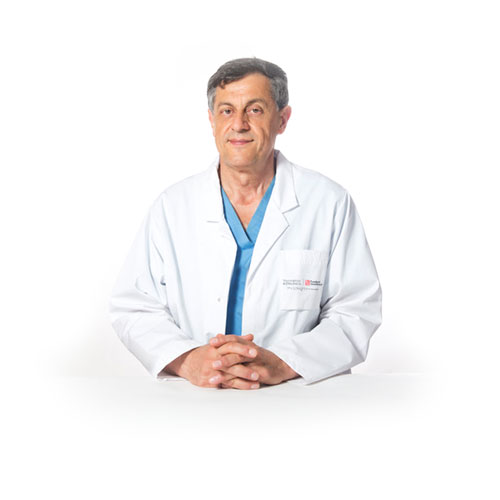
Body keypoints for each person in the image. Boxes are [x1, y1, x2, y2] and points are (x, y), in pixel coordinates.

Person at [109, 57, 382, 390]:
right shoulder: (172, 207)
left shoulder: (328, 202)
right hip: (195, 400)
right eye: (226, 111)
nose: (238, 124)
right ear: (212, 120)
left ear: (282, 119)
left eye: (254, 110)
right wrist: (188, 360)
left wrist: (282, 362)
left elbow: (356, 311)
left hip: (296, 399)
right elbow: (134, 306)